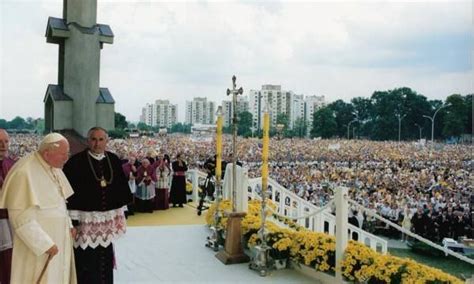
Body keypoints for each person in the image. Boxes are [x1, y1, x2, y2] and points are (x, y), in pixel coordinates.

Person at [0, 133, 77, 283]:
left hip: (59, 241)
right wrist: (44, 244)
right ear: (47, 153)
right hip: (37, 249)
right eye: (63, 154)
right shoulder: (24, 172)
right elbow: (20, 218)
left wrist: (69, 225)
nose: (66, 158)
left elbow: (61, 203)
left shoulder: (55, 169)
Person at [63, 127, 132, 284]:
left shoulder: (113, 160)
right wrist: (72, 221)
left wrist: (119, 213)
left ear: (107, 141)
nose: (97, 143)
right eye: (93, 139)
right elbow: (68, 194)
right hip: (84, 221)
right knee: (86, 261)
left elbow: (120, 188)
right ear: (88, 141)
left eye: (101, 139)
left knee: (105, 259)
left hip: (105, 221)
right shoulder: (75, 162)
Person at [0, 129, 16, 284]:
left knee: (8, 263)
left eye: (5, 141)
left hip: (8, 221)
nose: (3, 145)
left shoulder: (13, 165)